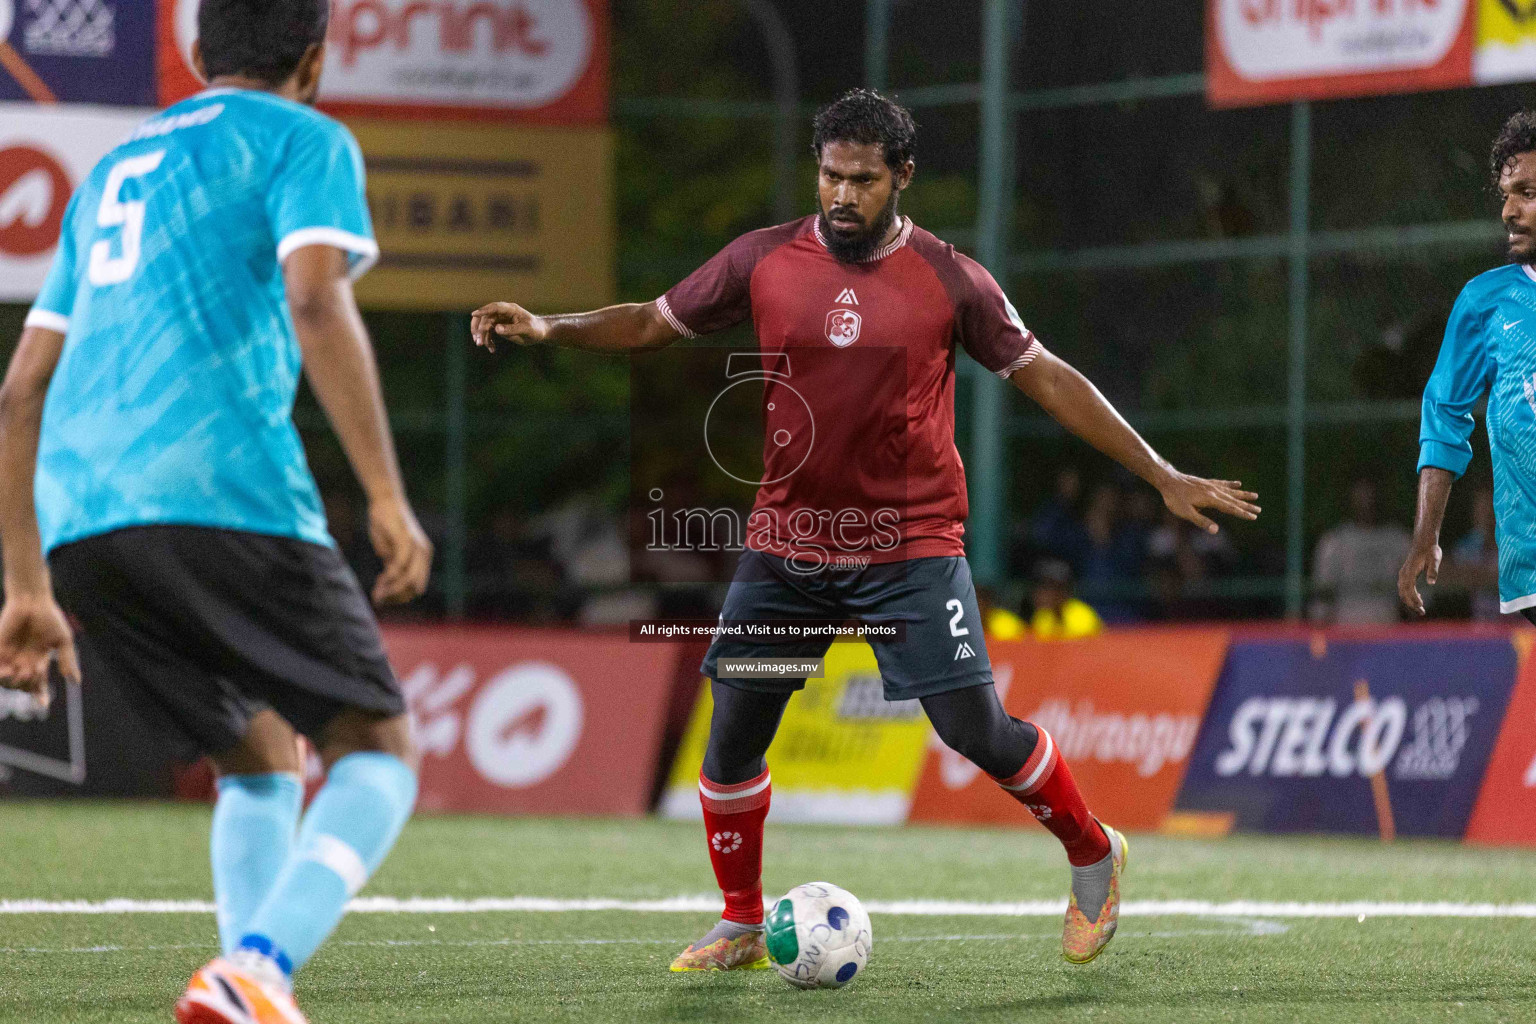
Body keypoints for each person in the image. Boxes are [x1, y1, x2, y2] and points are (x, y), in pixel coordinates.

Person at [471, 89, 1259, 970]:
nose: (842, 196)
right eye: (830, 176)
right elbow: (656, 322)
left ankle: (1094, 851)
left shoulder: (952, 279)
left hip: (909, 549)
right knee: (732, 731)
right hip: (788, 550)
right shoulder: (763, 259)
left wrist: (1159, 474)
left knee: (974, 731)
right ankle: (740, 918)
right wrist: (552, 324)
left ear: (902, 177)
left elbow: (1046, 376)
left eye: (863, 180)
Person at [0, 3, 433, 1022]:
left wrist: (26, 584)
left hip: (81, 519)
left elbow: (20, 390)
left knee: (256, 752)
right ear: (316, 61)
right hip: (220, 491)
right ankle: (260, 965)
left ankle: (244, 984)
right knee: (379, 749)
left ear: (196, 55)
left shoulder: (108, 170)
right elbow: (318, 303)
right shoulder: (305, 137)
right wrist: (384, 493)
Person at [1402, 110, 1536, 624]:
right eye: (1505, 194)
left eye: (1526, 192)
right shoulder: (1486, 302)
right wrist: (1426, 534)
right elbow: (1444, 413)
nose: (1508, 210)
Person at [1311, 480, 1411, 624]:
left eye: (1370, 492)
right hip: (1344, 633)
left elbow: (1418, 601)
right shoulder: (1334, 541)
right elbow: (1321, 600)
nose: (1366, 500)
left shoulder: (1399, 541)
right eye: (1360, 493)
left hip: (1388, 631)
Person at [1030, 560, 1104, 640]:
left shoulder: (1082, 618)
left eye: (1048, 588)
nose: (1041, 594)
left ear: (1063, 591)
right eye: (1039, 587)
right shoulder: (1041, 617)